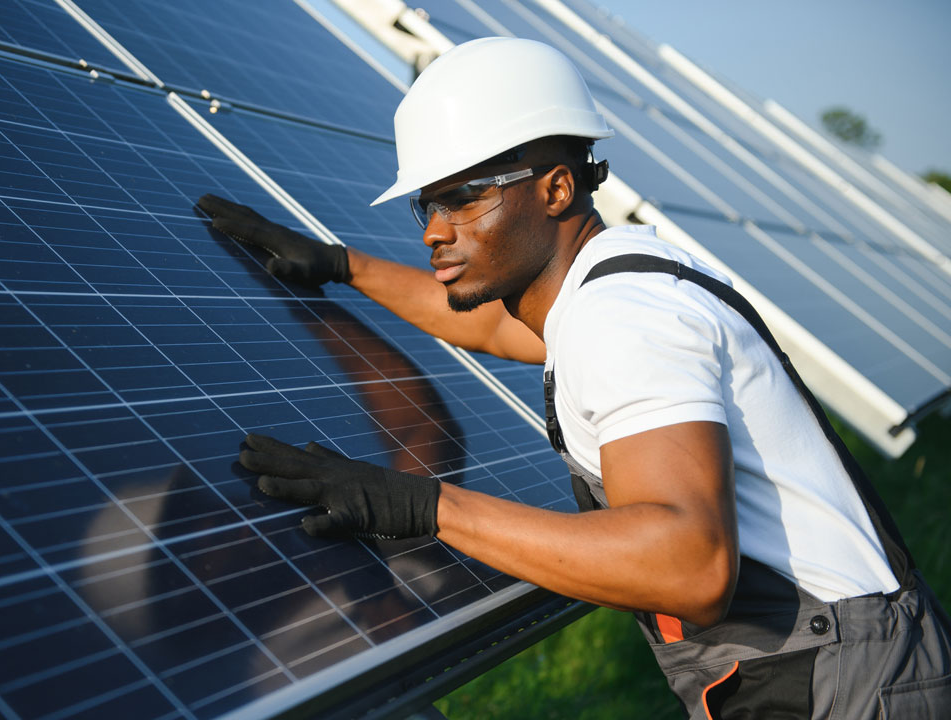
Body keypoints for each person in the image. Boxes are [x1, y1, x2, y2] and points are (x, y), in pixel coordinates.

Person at [197, 37, 951, 718]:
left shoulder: (622, 319)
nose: (433, 226)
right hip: (845, 659)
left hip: (842, 686)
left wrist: (427, 506)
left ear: (557, 189)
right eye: (429, 201)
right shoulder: (614, 281)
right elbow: (493, 324)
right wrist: (342, 265)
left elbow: (691, 565)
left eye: (467, 194)